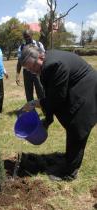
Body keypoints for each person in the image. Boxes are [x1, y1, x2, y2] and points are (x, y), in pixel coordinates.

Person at [20, 45, 97, 181]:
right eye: (28, 69)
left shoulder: (53, 65)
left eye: (32, 67)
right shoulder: (45, 63)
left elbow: (56, 99)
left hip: (87, 90)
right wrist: (47, 120)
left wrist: (35, 104)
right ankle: (69, 157)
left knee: (77, 127)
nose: (32, 71)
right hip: (77, 87)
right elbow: (51, 93)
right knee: (71, 125)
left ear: (41, 56)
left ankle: (69, 172)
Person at [16, 29, 45, 102]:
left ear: (32, 35)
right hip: (27, 72)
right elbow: (19, 62)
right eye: (25, 37)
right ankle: (31, 110)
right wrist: (17, 74)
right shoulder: (21, 47)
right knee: (28, 92)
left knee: (40, 90)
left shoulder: (39, 45)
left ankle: (44, 107)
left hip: (37, 71)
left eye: (28, 36)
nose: (27, 39)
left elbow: (44, 58)